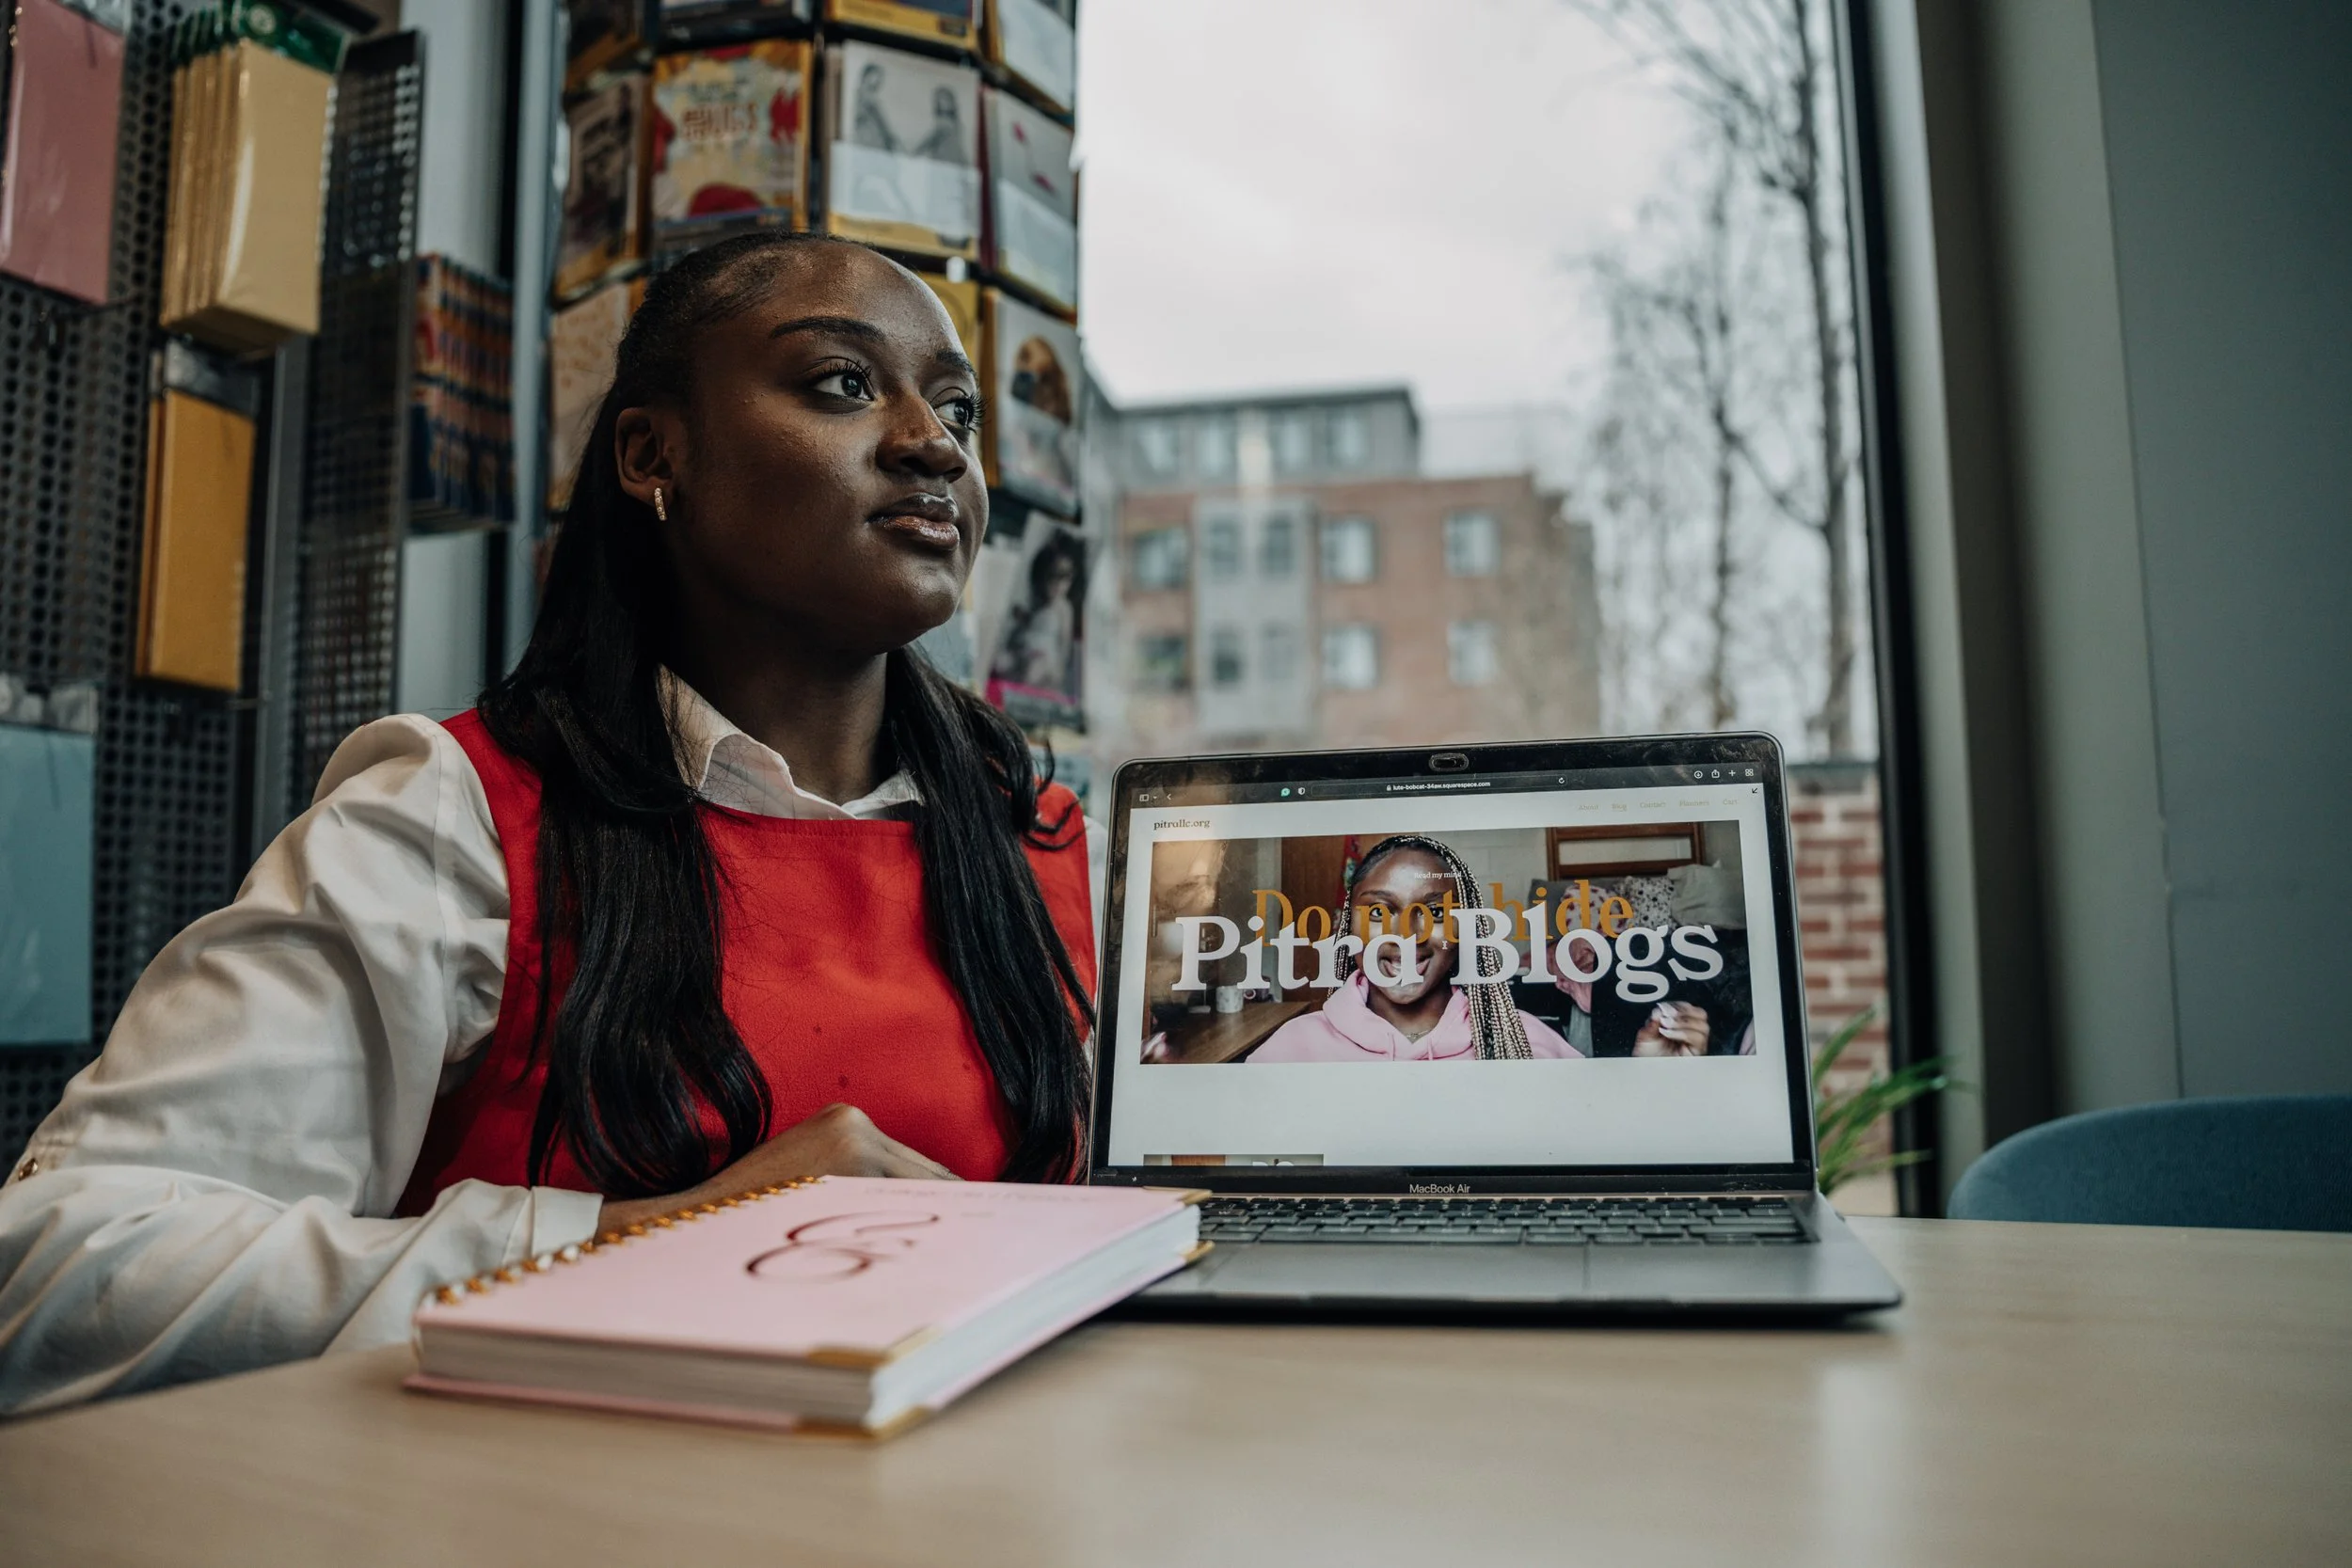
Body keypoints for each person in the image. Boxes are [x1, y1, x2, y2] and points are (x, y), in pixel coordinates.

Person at [0, 234, 1097, 1415]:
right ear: (650, 452)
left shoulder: (1040, 841)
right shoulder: (454, 813)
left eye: (956, 408)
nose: (932, 444)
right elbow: (57, 1266)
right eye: (841, 382)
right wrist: (663, 1240)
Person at [1249, 836, 1582, 1063]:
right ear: (1348, 928)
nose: (1406, 935)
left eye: (1435, 912)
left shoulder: (1525, 1042)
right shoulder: (1293, 1049)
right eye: (1379, 912)